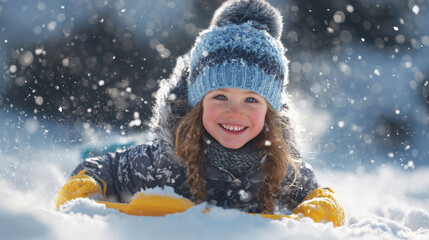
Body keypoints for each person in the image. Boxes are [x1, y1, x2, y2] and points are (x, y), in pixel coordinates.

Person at [55, 0, 345, 226]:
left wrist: (323, 206)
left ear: (270, 111)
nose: (235, 112)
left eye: (251, 100)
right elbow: (107, 169)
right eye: (220, 96)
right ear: (198, 103)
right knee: (122, 148)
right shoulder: (165, 160)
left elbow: (315, 193)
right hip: (175, 144)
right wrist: (87, 182)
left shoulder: (280, 167)